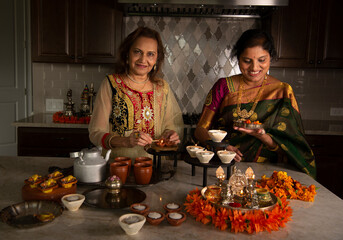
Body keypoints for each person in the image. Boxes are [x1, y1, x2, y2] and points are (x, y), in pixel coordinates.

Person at [194, 29, 316, 178]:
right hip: (223, 170)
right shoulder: (223, 86)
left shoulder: (282, 92)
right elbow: (200, 130)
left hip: (266, 175)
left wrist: (262, 136)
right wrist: (222, 147)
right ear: (238, 58)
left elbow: (291, 148)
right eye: (247, 61)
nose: (254, 68)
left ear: (271, 58)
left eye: (262, 60)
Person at [89, 27, 184, 161]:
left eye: (150, 54)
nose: (143, 59)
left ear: (157, 58)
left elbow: (170, 125)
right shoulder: (111, 84)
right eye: (137, 52)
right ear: (127, 53)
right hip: (119, 167)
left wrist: (170, 134)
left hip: (155, 167)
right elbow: (95, 133)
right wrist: (125, 141)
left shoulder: (162, 88)